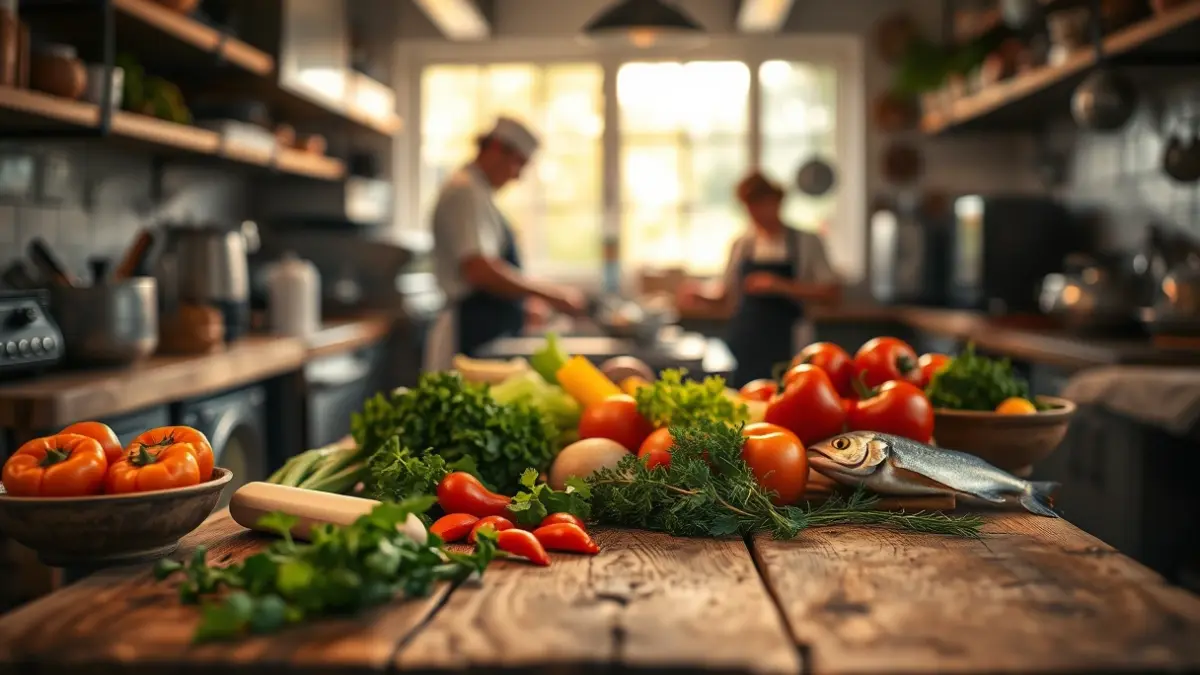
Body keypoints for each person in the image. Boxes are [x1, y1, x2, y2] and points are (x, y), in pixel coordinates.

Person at [424, 117, 587, 371]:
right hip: (468, 330)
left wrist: (522, 306)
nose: (518, 176)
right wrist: (548, 293)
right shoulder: (464, 192)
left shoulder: (478, 192)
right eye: (518, 164)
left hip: (484, 329)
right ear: (497, 148)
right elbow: (478, 269)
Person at [677, 171, 841, 387]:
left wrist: (779, 286)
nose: (755, 213)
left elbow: (832, 292)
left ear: (776, 201)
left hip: (788, 339)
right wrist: (701, 295)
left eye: (760, 204)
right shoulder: (742, 244)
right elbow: (726, 294)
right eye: (749, 207)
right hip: (746, 339)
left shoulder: (806, 242)